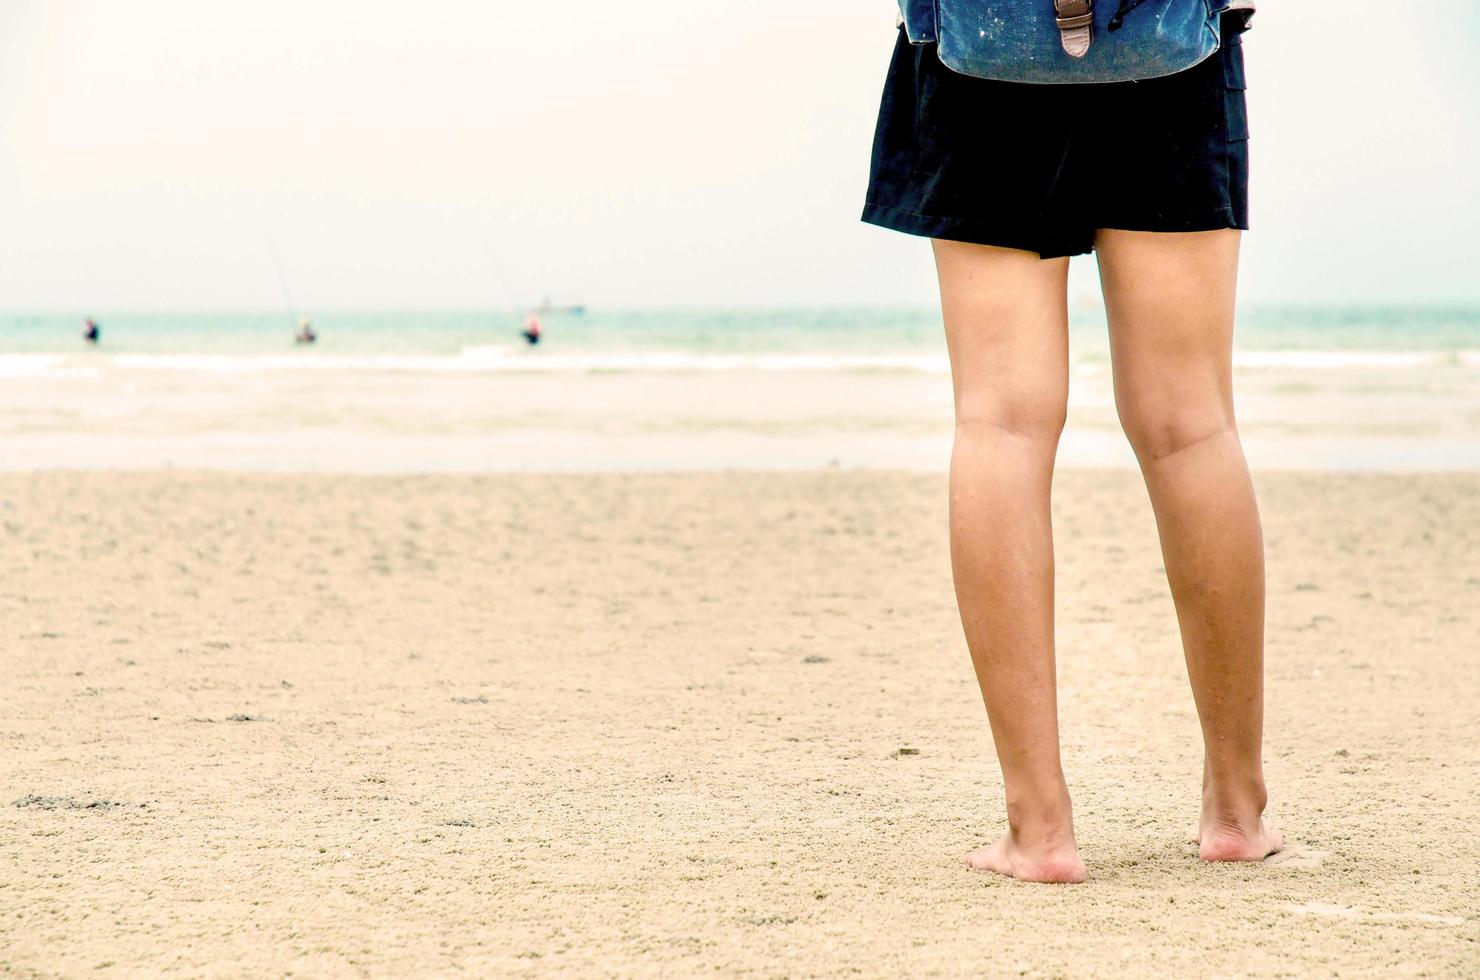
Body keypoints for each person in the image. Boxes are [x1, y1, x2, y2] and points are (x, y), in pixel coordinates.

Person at [862, 5, 1277, 883]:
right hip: (1168, 50)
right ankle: (1236, 810)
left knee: (1001, 422)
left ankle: (1040, 828)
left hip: (981, 59)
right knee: (1191, 427)